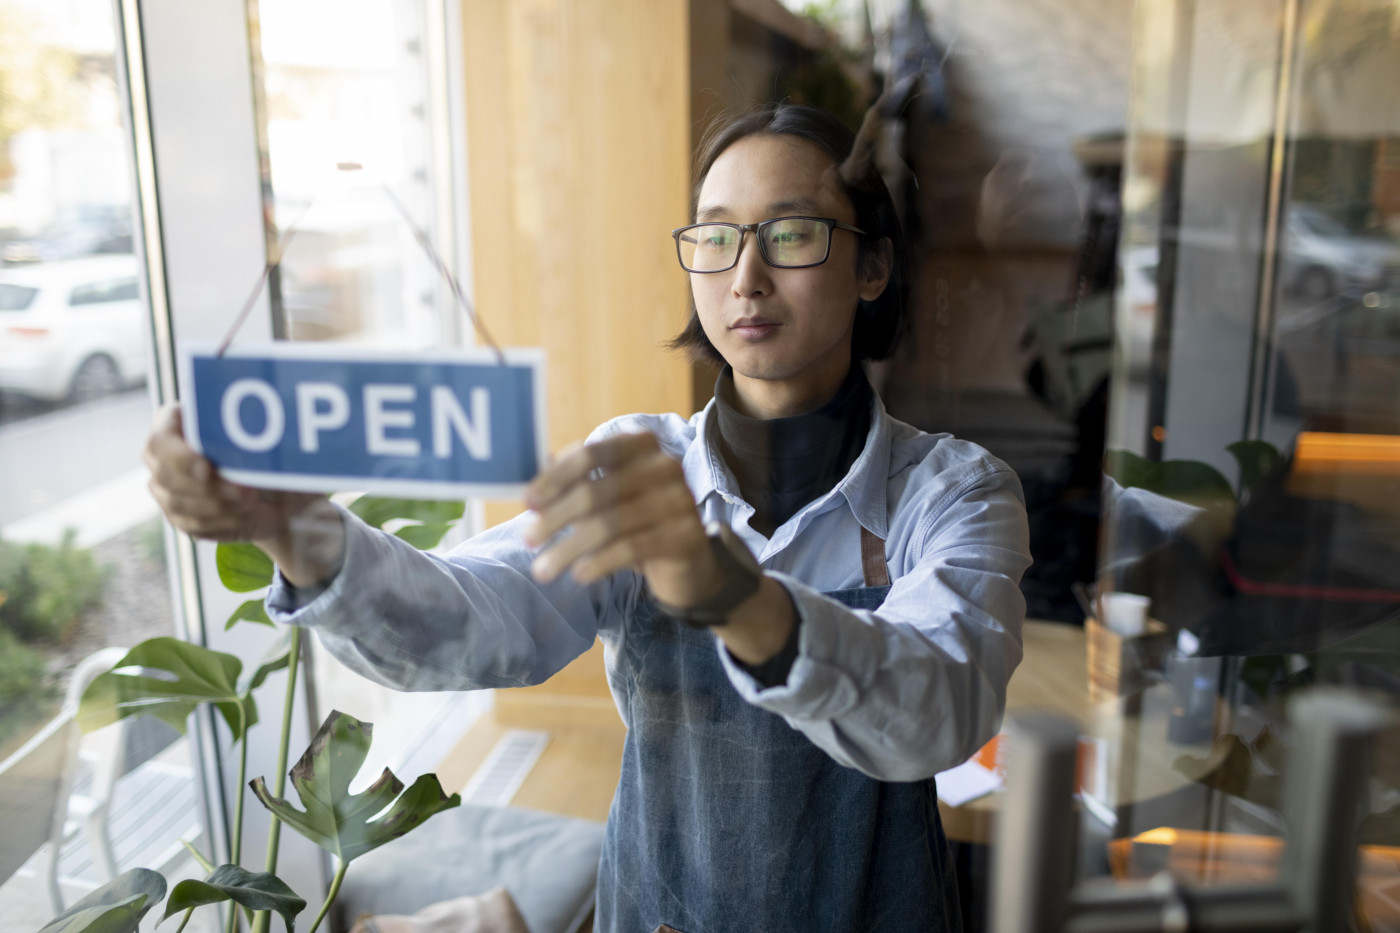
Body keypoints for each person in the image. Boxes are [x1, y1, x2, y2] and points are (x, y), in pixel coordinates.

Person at [145, 103, 1031, 933]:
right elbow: (477, 619)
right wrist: (290, 530)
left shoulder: (953, 492)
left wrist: (733, 593)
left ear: (872, 265)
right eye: (716, 238)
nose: (746, 276)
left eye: (791, 234)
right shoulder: (637, 465)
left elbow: (942, 707)